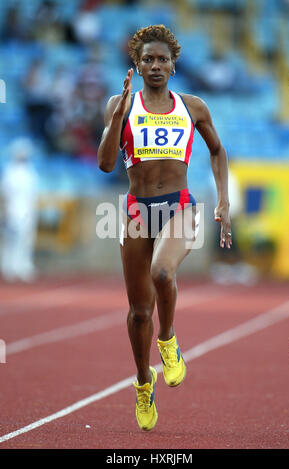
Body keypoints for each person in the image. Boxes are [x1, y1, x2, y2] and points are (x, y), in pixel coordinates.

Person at [97, 25, 232, 431]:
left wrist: (223, 199)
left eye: (162, 59)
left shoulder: (192, 107)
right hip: (138, 209)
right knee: (139, 312)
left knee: (162, 273)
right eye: (148, 59)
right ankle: (143, 383)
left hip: (179, 206)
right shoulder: (119, 105)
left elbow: (217, 150)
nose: (155, 65)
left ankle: (169, 339)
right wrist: (118, 114)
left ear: (174, 65)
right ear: (137, 65)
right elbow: (105, 164)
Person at [1, 138, 39, 282]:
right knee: (12, 240)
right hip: (13, 209)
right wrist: (5, 211)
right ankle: (9, 267)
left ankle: (24, 266)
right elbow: (5, 193)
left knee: (27, 239)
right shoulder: (10, 171)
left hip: (28, 209)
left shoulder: (30, 171)